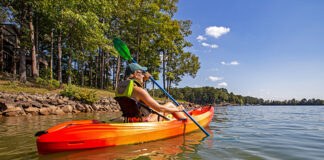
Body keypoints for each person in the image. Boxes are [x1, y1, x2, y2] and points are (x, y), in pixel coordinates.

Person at [115, 63, 187, 122]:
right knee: (170, 105)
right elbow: (159, 108)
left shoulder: (120, 88)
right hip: (145, 121)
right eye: (142, 73)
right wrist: (177, 109)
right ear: (135, 74)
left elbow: (135, 92)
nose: (144, 75)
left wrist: (144, 79)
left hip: (130, 120)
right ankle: (186, 121)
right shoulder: (139, 91)